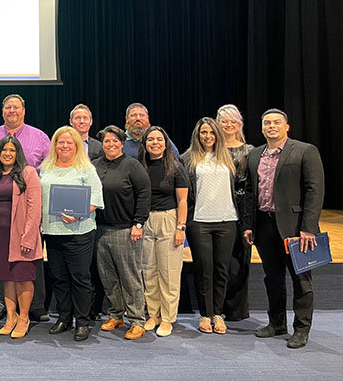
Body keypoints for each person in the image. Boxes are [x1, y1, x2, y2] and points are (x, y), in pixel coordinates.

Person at [243, 109, 324, 349]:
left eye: (276, 122)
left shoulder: (305, 151)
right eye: (266, 123)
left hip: (296, 228)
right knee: (273, 278)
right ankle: (276, 323)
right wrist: (248, 225)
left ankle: (301, 329)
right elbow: (249, 192)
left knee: (301, 280)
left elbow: (314, 191)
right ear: (262, 128)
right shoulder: (255, 155)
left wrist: (308, 228)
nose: (271, 126)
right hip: (264, 225)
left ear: (286, 126)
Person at [0, 94, 51, 322]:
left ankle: (34, 307)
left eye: (16, 108)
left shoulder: (39, 137)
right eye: (8, 108)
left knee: (27, 266)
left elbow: (48, 170)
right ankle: (1, 306)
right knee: (1, 269)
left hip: (26, 216)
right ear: (2, 111)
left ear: (24, 111)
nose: (12, 111)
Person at [39, 126, 104, 341]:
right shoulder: (46, 168)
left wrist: (78, 214)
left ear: (76, 145)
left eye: (69, 142)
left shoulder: (86, 169)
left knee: (80, 278)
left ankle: (82, 321)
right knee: (59, 278)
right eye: (60, 142)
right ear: (54, 145)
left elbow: (96, 200)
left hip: (79, 232)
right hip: (52, 231)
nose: (64, 146)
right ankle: (64, 318)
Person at [92, 125, 151, 340]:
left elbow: (144, 195)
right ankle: (116, 314)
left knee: (130, 277)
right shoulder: (95, 165)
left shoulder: (132, 165)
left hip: (126, 230)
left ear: (122, 142)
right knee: (108, 278)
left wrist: (138, 224)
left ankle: (137, 320)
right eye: (107, 141)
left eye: (115, 141)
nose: (111, 145)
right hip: (100, 230)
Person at [181, 117, 239, 334]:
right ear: (198, 135)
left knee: (222, 269)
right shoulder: (188, 158)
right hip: (200, 222)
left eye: (211, 133)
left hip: (227, 220)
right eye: (203, 133)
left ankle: (218, 314)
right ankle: (205, 315)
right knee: (204, 269)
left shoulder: (229, 157)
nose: (207, 137)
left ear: (217, 135)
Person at [0, 135, 42, 339]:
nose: (7, 154)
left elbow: (35, 209)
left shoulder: (28, 173)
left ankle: (24, 318)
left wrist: (28, 238)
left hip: (21, 235)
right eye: (4, 150)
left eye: (12, 150)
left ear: (18, 153)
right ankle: (10, 318)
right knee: (6, 277)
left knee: (23, 278)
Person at [137, 126, 189, 338]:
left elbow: (183, 200)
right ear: (145, 143)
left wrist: (180, 228)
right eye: (151, 139)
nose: (155, 143)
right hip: (145, 220)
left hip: (169, 219)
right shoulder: (139, 166)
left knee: (169, 272)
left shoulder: (175, 167)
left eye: (159, 139)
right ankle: (153, 314)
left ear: (166, 143)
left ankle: (168, 318)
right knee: (148, 271)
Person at [216, 104, 254, 321]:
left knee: (239, 260)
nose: (228, 125)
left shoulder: (250, 150)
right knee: (220, 260)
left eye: (233, 121)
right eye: (224, 120)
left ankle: (237, 310)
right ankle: (216, 308)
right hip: (217, 207)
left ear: (239, 123)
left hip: (242, 209)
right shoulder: (211, 149)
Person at [69, 103, 105, 321]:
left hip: (94, 213)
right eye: (77, 118)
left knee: (94, 265)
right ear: (71, 122)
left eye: (85, 118)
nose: (81, 121)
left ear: (90, 122)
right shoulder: (62, 144)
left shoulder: (99, 147)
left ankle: (94, 309)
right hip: (65, 214)